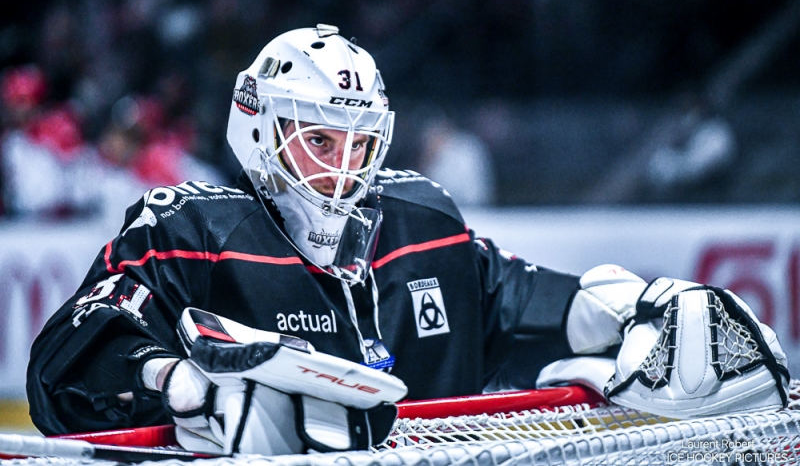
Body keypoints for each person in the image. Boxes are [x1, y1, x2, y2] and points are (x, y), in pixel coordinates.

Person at [26, 25, 789, 455]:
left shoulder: (420, 221)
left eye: (361, 146)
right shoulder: (188, 229)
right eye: (321, 142)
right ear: (260, 131)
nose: (343, 170)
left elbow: (520, 300)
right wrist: (188, 389)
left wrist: (650, 310)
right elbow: (67, 366)